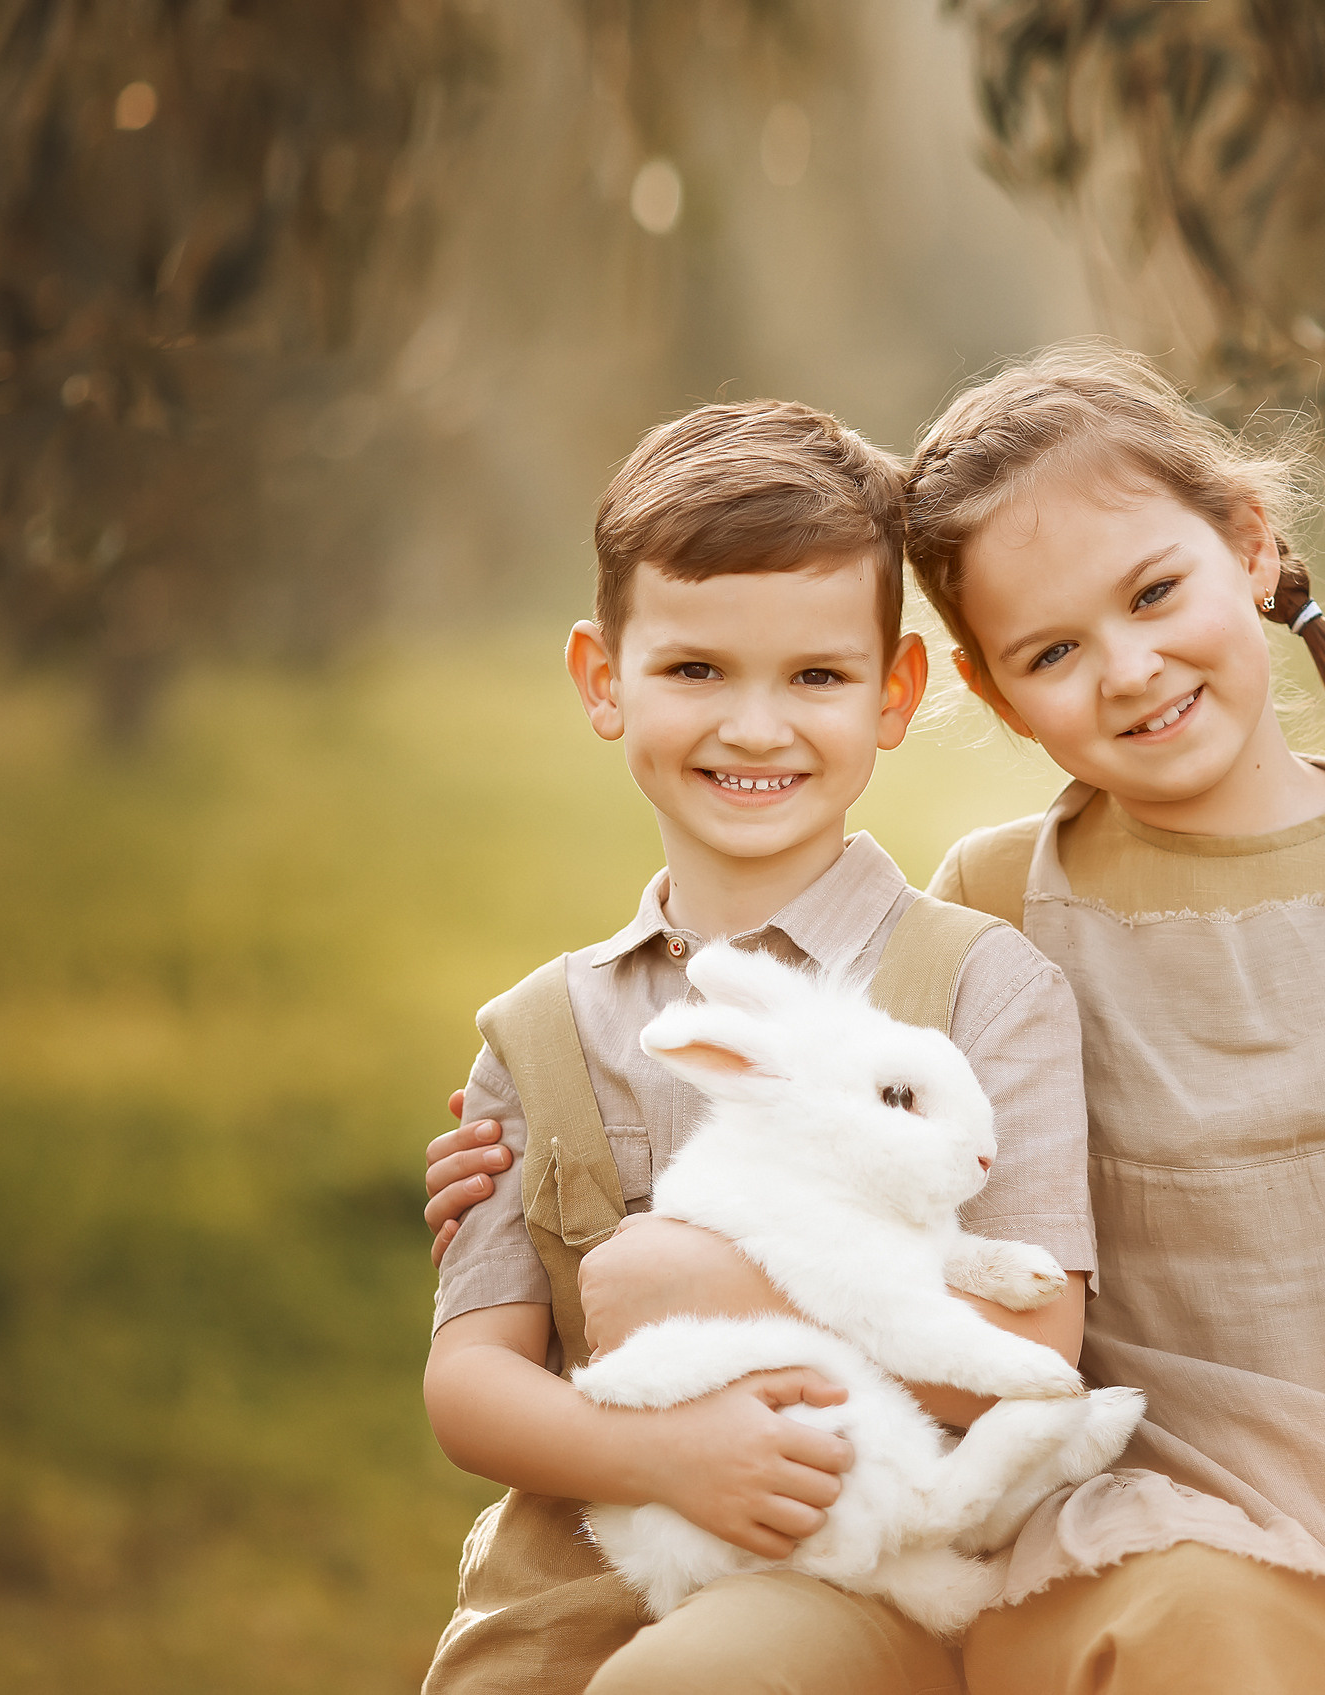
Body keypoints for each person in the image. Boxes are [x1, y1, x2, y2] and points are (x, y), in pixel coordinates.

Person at [428, 345, 1325, 1695]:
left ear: (1251, 545)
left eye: (1154, 592)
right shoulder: (998, 901)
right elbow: (853, 1138)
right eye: (1053, 652)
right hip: (1120, 1527)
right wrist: (538, 1151)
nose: (1130, 669)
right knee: (1168, 1621)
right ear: (993, 694)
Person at [418, 398, 1095, 1695]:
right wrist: (657, 1457)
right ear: (602, 679)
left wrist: (673, 1283)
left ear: (895, 693)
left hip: (859, 1573)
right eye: (695, 671)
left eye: (816, 678)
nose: (755, 727)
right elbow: (472, 1382)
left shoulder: (978, 989)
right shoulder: (542, 1032)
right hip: (574, 1580)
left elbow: (1032, 1348)